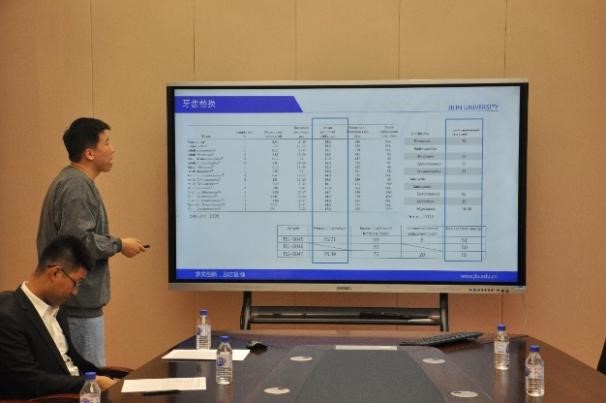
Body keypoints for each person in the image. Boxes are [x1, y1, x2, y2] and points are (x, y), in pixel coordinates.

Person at [37, 117, 146, 367]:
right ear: (89, 153)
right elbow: (78, 244)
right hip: (78, 308)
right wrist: (119, 244)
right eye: (107, 142)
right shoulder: (77, 186)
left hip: (76, 306)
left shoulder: (72, 181)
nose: (112, 149)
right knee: (90, 379)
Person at [0, 236, 117, 399]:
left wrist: (108, 380)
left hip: (81, 395)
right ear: (55, 273)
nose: (75, 292)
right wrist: (90, 382)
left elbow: (73, 362)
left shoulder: (57, 307)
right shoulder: (8, 316)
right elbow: (29, 382)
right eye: (76, 283)